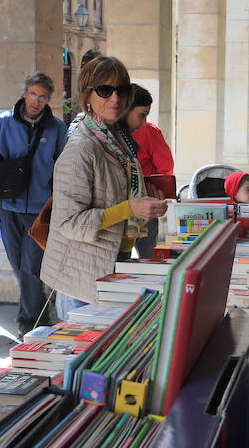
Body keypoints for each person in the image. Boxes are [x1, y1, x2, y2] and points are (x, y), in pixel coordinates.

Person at [40, 55, 167, 315]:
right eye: (104, 90)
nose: (115, 98)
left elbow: (114, 191)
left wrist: (145, 198)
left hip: (112, 262)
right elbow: (67, 222)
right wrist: (131, 208)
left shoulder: (116, 138)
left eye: (121, 90)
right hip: (84, 275)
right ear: (87, 96)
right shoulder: (82, 148)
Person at [0, 72, 67, 337]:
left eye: (42, 97)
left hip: (40, 211)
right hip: (8, 208)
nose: (36, 101)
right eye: (32, 94)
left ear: (48, 100)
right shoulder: (3, 124)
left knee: (31, 266)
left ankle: (29, 321)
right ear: (24, 93)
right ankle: (40, 311)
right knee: (18, 265)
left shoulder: (57, 129)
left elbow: (64, 171)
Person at [119, 85, 175, 258]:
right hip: (120, 213)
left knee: (147, 258)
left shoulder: (149, 131)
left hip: (145, 205)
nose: (144, 122)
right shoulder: (109, 137)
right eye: (142, 115)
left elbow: (166, 168)